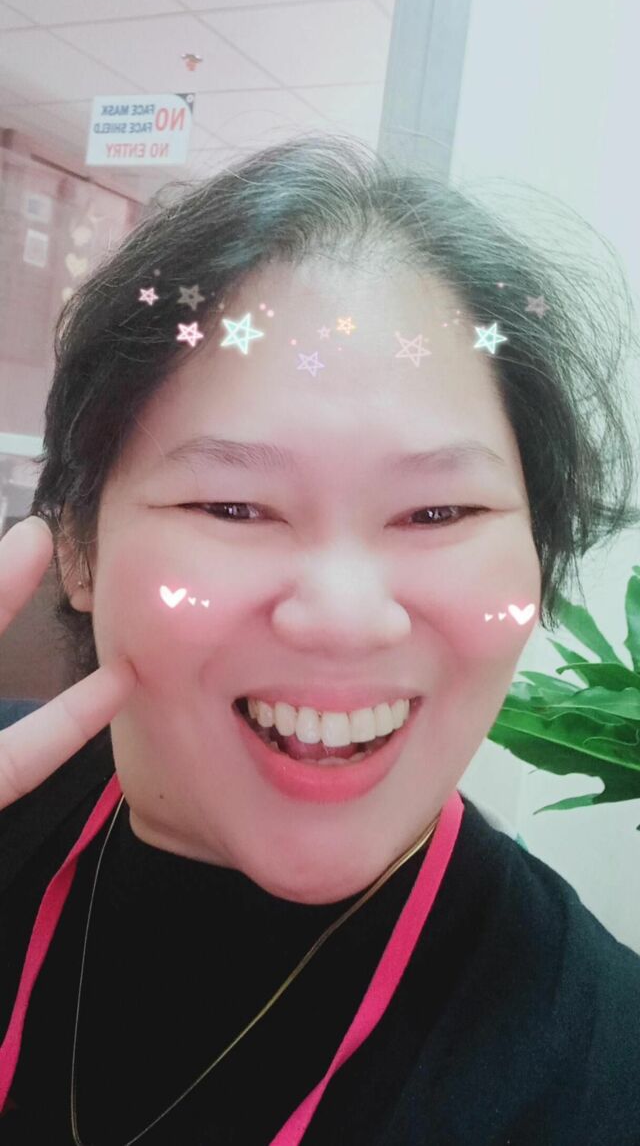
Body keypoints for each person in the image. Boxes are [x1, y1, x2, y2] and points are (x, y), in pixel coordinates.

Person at [0, 135, 639, 1146]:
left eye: (437, 513)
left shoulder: (599, 1072)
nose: (344, 617)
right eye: (233, 506)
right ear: (77, 545)